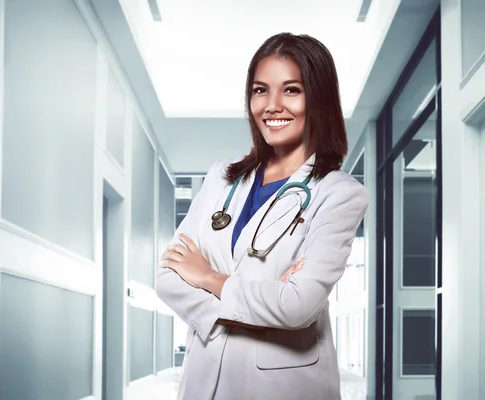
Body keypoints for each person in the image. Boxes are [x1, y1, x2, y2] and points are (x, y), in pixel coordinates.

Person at [156, 32, 368, 400]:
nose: (271, 105)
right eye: (259, 90)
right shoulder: (222, 178)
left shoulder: (339, 194)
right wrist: (259, 298)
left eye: (291, 90)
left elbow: (296, 306)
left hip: (283, 387)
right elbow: (167, 278)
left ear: (318, 99)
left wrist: (206, 276)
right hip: (205, 379)